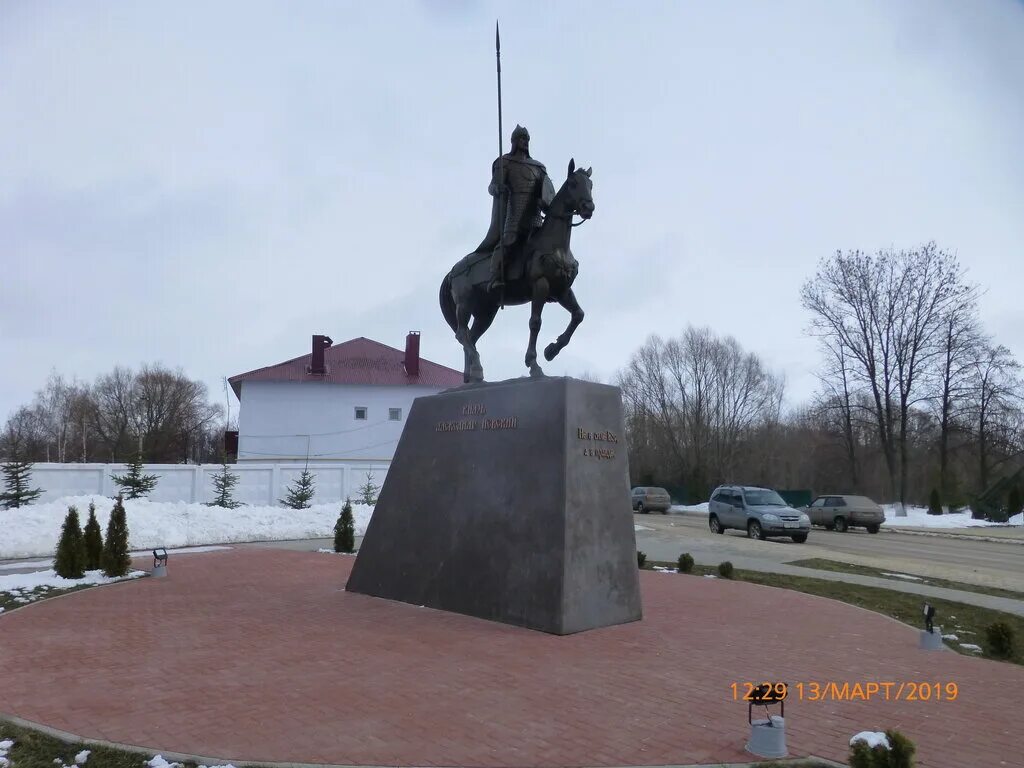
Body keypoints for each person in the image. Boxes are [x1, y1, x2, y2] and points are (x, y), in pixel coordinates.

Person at [475, 125, 555, 291]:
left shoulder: (539, 168)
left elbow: (547, 192)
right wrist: (498, 188)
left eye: (526, 139)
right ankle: (496, 276)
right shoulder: (504, 163)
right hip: (515, 213)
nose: (524, 142)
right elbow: (492, 186)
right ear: (514, 141)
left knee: (546, 246)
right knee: (509, 242)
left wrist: (545, 203)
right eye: (521, 138)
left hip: (534, 215)